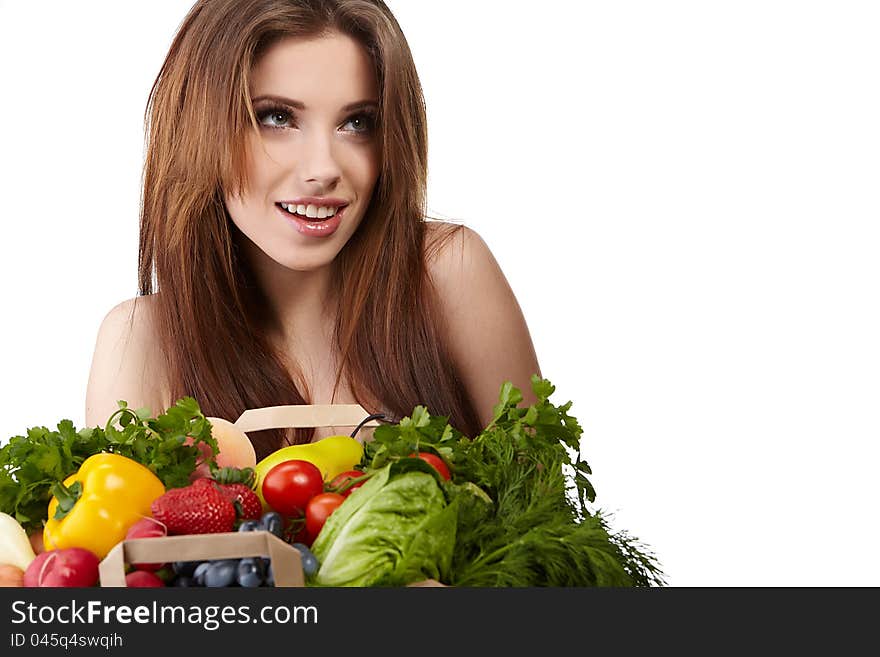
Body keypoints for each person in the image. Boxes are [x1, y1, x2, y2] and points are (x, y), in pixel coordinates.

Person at [85, 0, 541, 459]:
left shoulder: (447, 273)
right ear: (197, 128)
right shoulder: (141, 343)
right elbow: (121, 521)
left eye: (357, 122)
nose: (323, 169)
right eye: (277, 118)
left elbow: (546, 518)